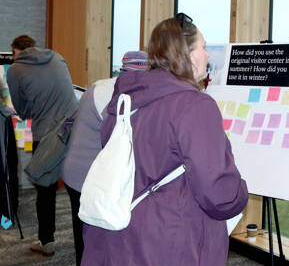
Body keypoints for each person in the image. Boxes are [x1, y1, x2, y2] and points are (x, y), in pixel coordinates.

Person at [81, 14, 248, 266]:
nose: (208, 55)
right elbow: (219, 194)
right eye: (203, 47)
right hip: (171, 241)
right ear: (189, 54)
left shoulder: (126, 100)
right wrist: (240, 191)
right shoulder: (195, 105)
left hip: (120, 234)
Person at [62, 50, 148, 266]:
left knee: (83, 236)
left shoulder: (101, 86)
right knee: (97, 241)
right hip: (93, 178)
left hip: (74, 171)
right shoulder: (122, 96)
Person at [6, 35, 78, 256]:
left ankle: (46, 241)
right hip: (73, 128)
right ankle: (85, 243)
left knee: (44, 189)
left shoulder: (15, 69)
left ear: (16, 51)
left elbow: (21, 109)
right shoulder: (57, 57)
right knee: (75, 189)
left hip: (43, 133)